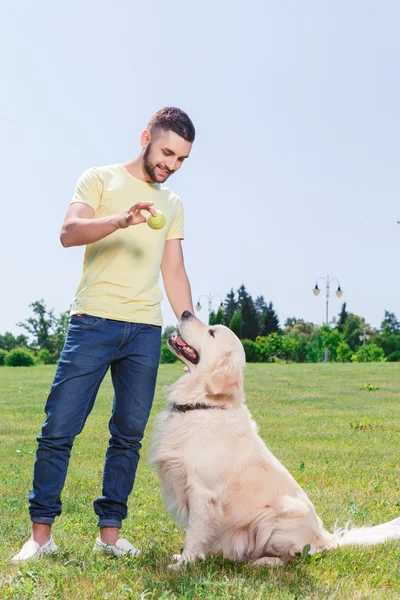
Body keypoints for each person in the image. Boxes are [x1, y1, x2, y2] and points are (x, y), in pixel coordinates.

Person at [11, 107, 195, 562]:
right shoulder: (99, 178)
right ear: (146, 137)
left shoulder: (172, 204)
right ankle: (40, 538)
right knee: (59, 427)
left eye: (181, 160)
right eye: (167, 152)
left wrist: (191, 325)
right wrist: (120, 220)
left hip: (144, 331)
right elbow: (69, 233)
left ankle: (109, 536)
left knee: (128, 436)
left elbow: (173, 270)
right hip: (92, 320)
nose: (170, 165)